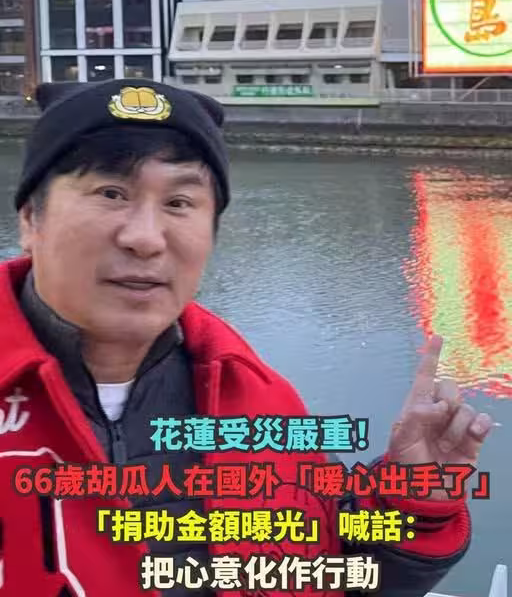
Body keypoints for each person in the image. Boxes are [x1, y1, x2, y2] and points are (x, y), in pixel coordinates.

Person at [0, 79, 493, 597]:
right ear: (31, 219)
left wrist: (411, 499)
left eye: (179, 202)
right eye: (111, 194)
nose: (145, 238)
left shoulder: (260, 401)